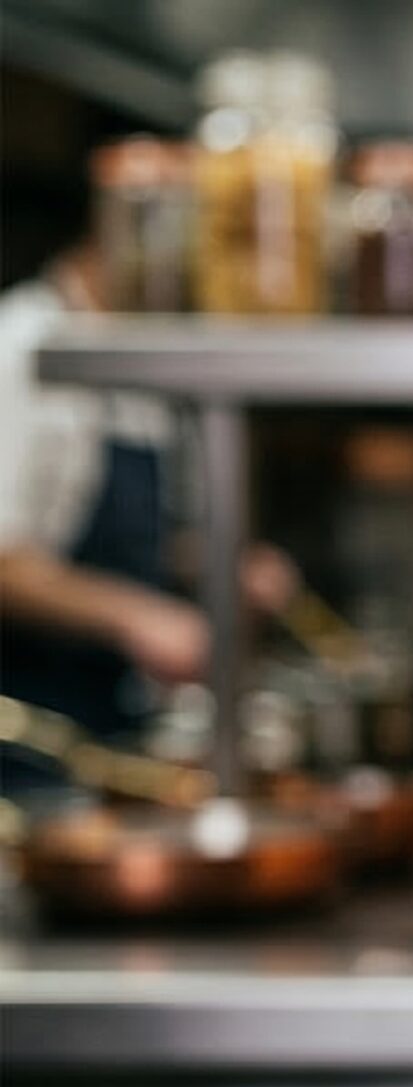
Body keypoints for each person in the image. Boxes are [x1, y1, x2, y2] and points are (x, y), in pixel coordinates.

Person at [0, 242, 300, 778]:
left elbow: (135, 535)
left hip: (115, 726)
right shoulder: (21, 344)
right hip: (25, 731)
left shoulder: (142, 342)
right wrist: (138, 617)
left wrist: (216, 560)